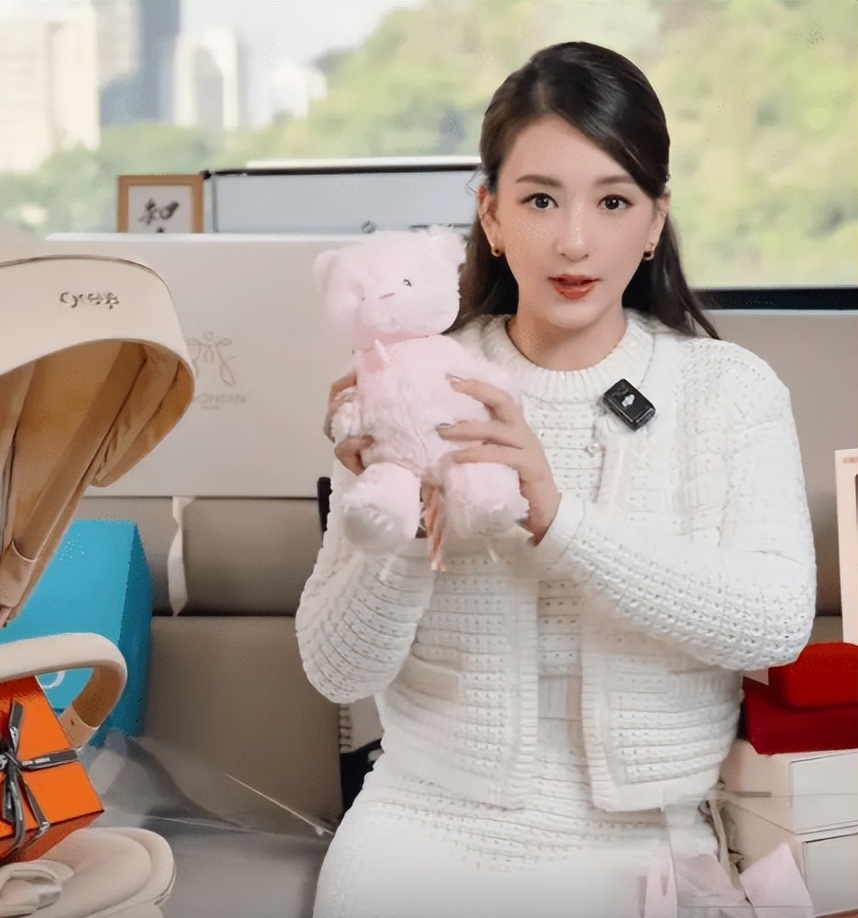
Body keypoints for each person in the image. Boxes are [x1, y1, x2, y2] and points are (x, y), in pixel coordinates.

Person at [295, 41, 816, 917]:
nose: (574, 240)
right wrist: (402, 528)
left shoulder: (729, 391)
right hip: (419, 830)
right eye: (540, 199)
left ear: (653, 222)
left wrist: (560, 521)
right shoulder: (416, 384)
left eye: (613, 201)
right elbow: (336, 671)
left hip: (644, 847)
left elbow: (775, 623)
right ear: (491, 215)